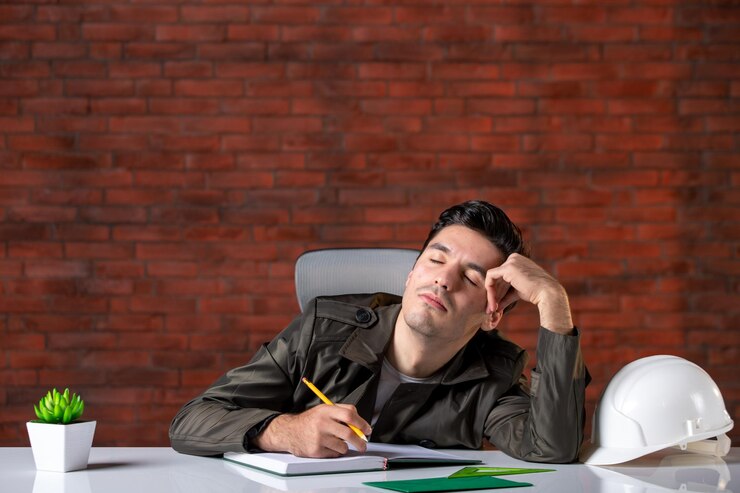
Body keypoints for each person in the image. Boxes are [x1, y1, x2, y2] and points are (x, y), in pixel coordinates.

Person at [169, 200, 589, 463]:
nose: (443, 280)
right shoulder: (322, 330)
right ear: (410, 274)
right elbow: (191, 421)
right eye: (435, 260)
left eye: (473, 278)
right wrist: (284, 431)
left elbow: (551, 448)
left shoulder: (493, 373)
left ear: (491, 316)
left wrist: (554, 302)